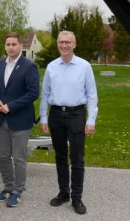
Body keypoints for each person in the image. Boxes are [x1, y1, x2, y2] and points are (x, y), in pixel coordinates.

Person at [39, 30, 98, 215]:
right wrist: (43, 117)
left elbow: (92, 95)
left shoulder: (84, 66)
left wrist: (91, 120)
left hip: (76, 115)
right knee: (60, 157)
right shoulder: (51, 67)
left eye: (68, 42)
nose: (64, 45)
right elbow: (45, 94)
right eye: (61, 42)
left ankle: (77, 197)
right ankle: (64, 193)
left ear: (74, 44)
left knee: (77, 158)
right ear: (57, 44)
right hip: (56, 115)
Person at [0, 32, 39, 208]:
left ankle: (18, 191)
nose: (10, 47)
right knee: (3, 157)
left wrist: (11, 106)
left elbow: (33, 94)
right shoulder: (0, 64)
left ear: (20, 45)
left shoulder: (29, 66)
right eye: (8, 44)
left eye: (14, 44)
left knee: (19, 158)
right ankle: (7, 187)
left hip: (20, 120)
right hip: (3, 119)